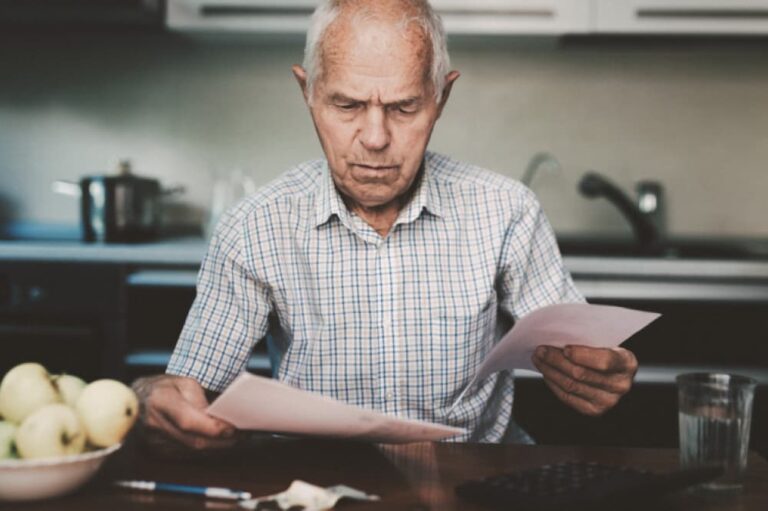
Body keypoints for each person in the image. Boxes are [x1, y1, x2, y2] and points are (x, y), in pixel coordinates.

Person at [133, 0, 637, 449]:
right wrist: (152, 397)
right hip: (317, 486)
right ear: (307, 93)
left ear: (441, 97)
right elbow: (192, 389)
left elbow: (580, 351)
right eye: (347, 105)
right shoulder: (256, 226)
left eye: (404, 107)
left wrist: (595, 371)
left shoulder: (507, 211)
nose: (374, 138)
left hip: (476, 479)